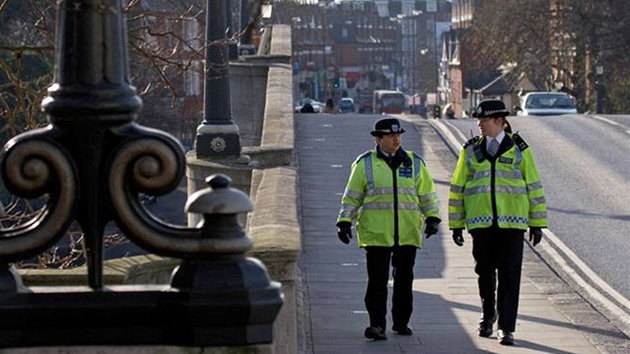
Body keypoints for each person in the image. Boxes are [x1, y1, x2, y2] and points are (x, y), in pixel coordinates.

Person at [448, 99, 547, 346]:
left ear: (500, 121)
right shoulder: (470, 150)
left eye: (484, 120)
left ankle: (507, 328)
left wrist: (537, 223)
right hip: (481, 224)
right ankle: (488, 315)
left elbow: (533, 187)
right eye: (479, 120)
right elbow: (457, 188)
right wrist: (456, 224)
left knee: (510, 276)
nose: (479, 124)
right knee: (484, 272)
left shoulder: (520, 149)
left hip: (512, 224)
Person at [336, 118, 441, 341]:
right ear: (378, 139)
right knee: (377, 282)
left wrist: (432, 218)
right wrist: (344, 221)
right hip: (376, 233)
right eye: (391, 136)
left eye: (398, 135)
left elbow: (427, 194)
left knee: (404, 280)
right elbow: (352, 196)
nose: (396, 140)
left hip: (407, 231)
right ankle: (377, 325)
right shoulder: (364, 164)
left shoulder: (414, 162)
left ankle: (401, 322)